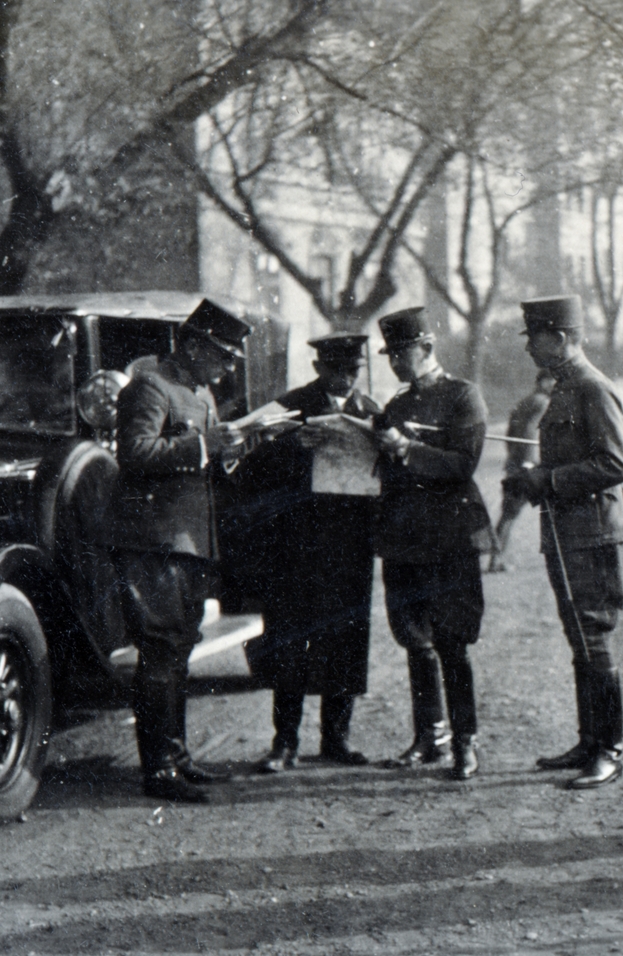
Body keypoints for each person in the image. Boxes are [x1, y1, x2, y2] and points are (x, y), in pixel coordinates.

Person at [107, 301, 251, 804]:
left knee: (180, 651)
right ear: (193, 346)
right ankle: (159, 769)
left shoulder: (199, 392)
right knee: (161, 651)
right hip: (155, 542)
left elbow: (200, 462)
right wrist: (203, 446)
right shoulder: (150, 386)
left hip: (188, 542)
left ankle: (177, 756)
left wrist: (224, 454)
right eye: (223, 355)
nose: (229, 367)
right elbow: (135, 454)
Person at [230, 333, 383, 773]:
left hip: (350, 548)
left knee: (347, 639)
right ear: (319, 369)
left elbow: (388, 475)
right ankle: (285, 741)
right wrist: (290, 449)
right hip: (295, 547)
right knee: (291, 641)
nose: (345, 380)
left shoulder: (371, 413)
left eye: (353, 371)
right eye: (336, 371)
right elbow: (249, 465)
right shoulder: (289, 407)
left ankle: (336, 738)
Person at [506, 295, 623, 790]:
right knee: (578, 637)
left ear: (559, 338)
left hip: (592, 534)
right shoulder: (565, 387)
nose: (529, 350)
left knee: (593, 637)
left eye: (534, 338)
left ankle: (609, 750)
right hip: (567, 534)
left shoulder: (591, 388)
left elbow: (617, 464)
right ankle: (588, 741)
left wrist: (548, 480)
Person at [372, 307, 495, 780]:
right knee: (413, 640)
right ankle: (430, 736)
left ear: (426, 348)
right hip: (403, 537)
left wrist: (406, 448)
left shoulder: (464, 396)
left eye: (403, 353)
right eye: (391, 356)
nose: (397, 363)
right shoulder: (397, 405)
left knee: (451, 641)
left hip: (449, 537)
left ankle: (466, 742)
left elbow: (463, 464)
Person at [487, 369, 557, 573]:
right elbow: (529, 432)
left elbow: (510, 434)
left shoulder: (524, 402)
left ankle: (495, 559)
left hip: (516, 464)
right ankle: (496, 560)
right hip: (529, 466)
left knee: (508, 514)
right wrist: (527, 461)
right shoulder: (542, 402)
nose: (554, 385)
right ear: (543, 382)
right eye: (551, 380)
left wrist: (514, 458)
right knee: (516, 513)